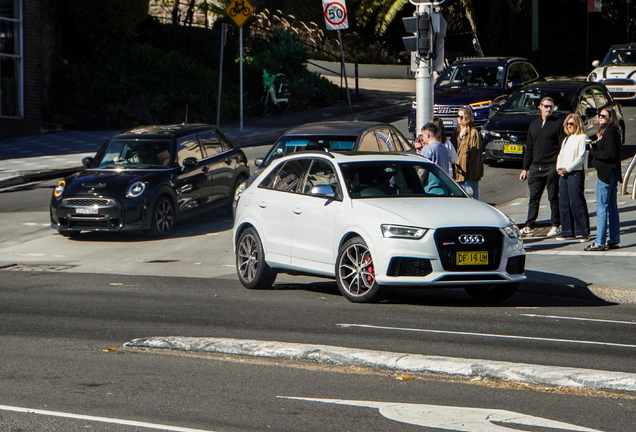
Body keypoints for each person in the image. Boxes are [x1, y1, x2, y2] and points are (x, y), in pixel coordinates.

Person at [519, 96, 566, 237]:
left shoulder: (557, 124)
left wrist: (559, 166)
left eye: (551, 107)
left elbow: (562, 147)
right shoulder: (533, 125)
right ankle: (529, 225)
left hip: (551, 166)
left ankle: (555, 224)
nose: (548, 109)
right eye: (546, 106)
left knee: (553, 197)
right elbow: (530, 148)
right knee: (534, 198)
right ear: (540, 107)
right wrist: (525, 168)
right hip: (535, 167)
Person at [585, 107, 622, 251]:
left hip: (606, 174)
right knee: (612, 207)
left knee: (602, 208)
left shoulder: (610, 132)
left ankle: (599, 241)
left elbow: (610, 154)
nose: (600, 118)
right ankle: (614, 239)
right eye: (599, 115)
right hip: (611, 173)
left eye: (604, 116)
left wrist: (593, 150)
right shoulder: (611, 132)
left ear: (610, 118)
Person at [555, 113, 590, 242]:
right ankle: (567, 231)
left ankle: (583, 231)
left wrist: (568, 169)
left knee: (577, 201)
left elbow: (581, 157)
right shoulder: (566, 139)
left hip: (575, 173)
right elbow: (561, 155)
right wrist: (559, 167)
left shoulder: (582, 137)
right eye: (567, 124)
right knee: (564, 202)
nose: (569, 126)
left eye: (571, 124)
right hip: (563, 174)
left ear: (577, 124)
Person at [451, 107, 483, 199]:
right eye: (458, 116)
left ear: (467, 117)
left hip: (469, 172)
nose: (459, 119)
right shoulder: (455, 132)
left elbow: (475, 156)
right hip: (457, 171)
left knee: (472, 197)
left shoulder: (473, 133)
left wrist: (473, 174)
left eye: (462, 117)